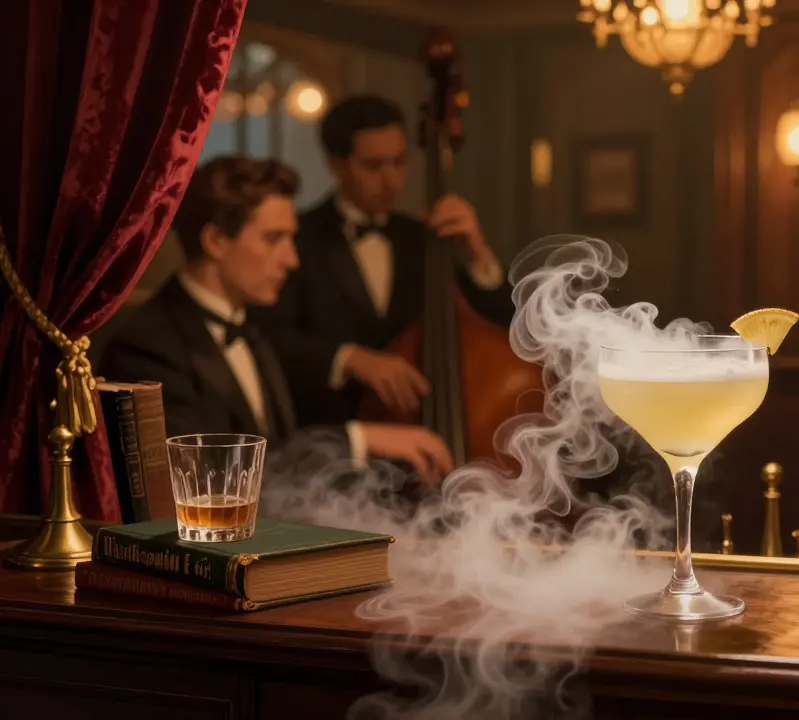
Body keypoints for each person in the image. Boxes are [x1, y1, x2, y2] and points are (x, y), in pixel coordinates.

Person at [99, 155, 454, 480]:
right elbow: (210, 476)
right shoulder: (146, 346)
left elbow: (277, 455)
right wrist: (356, 439)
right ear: (217, 240)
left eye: (291, 239)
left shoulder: (252, 326)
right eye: (274, 239)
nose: (292, 260)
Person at [253, 94, 513, 432]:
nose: (392, 180)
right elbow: (269, 337)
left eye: (399, 161)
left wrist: (479, 252)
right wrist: (349, 358)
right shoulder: (296, 237)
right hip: (331, 442)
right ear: (336, 164)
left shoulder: (424, 238)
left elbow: (502, 322)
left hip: (423, 427)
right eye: (374, 166)